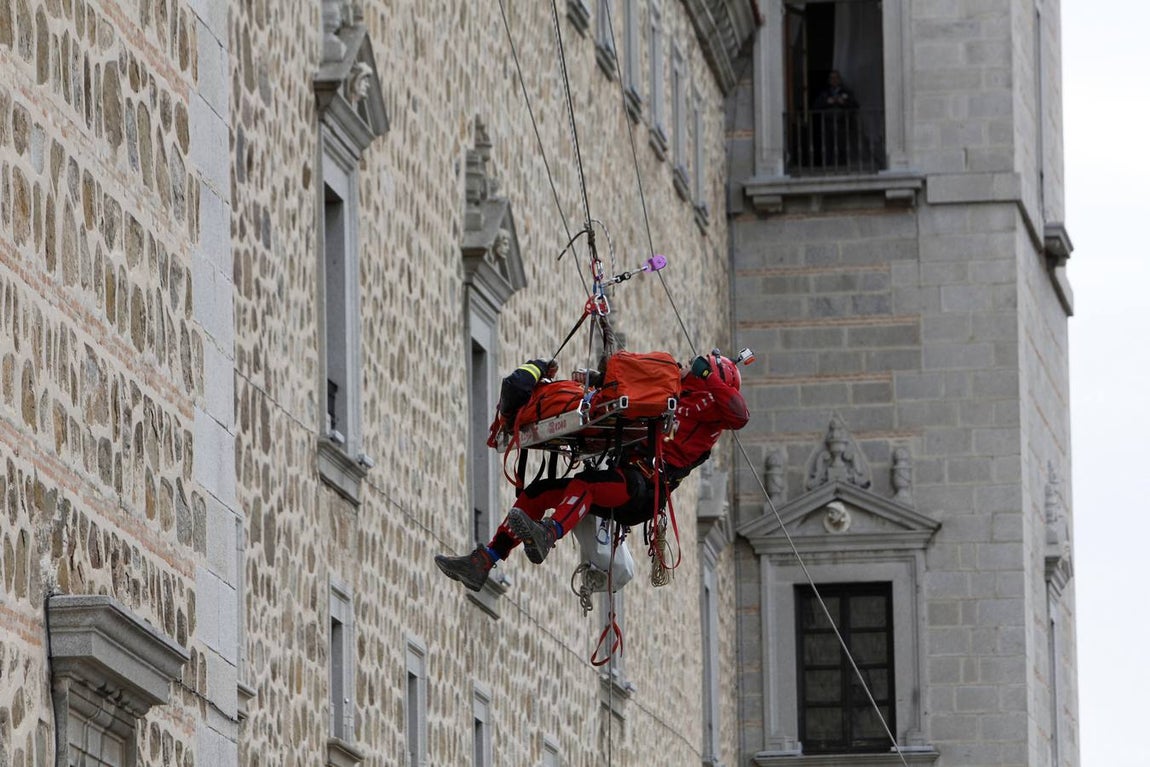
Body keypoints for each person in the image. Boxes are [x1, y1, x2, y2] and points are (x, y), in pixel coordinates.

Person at [435, 351, 750, 591]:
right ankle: (485, 560)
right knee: (538, 493)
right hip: (627, 477)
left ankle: (548, 533)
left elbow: (740, 413)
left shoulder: (713, 417)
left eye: (693, 371)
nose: (685, 370)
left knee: (585, 486)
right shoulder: (675, 397)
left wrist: (707, 372)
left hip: (643, 489)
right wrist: (599, 381)